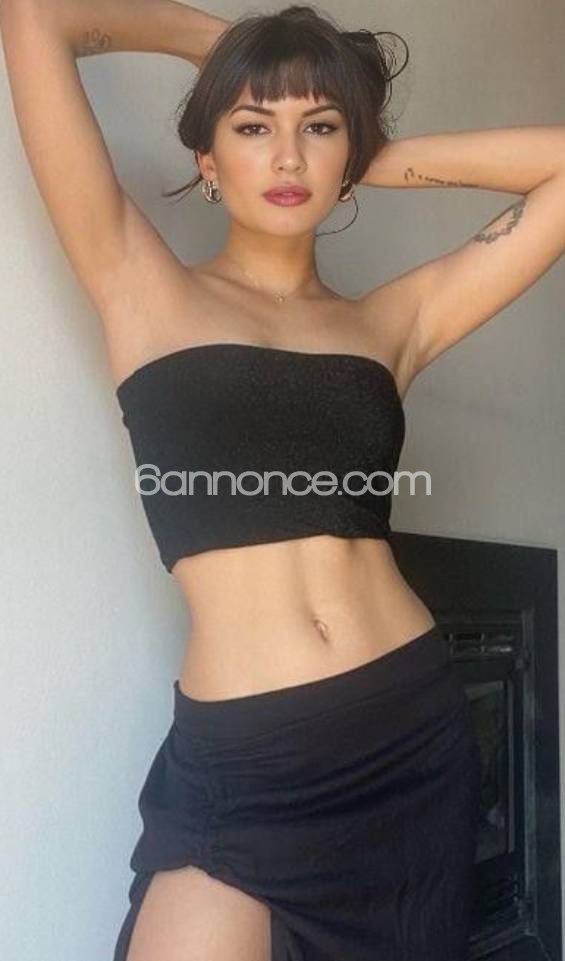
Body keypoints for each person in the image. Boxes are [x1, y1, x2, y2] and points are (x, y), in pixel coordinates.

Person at [3, 1, 564, 959]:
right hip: (247, 758)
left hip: (410, 733)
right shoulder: (141, 283)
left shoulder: (387, 323)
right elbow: (35, 15)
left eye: (319, 128)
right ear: (207, 159)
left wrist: (368, 145)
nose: (289, 156)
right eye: (254, 127)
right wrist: (231, 50)